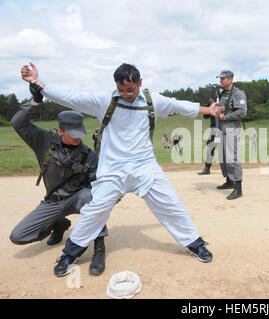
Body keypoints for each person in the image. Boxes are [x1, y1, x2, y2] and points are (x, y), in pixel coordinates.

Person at [21, 62, 222, 277]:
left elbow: (178, 105)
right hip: (112, 169)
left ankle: (194, 243)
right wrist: (37, 82)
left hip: (145, 166)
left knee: (171, 205)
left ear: (139, 83)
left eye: (130, 89)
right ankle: (69, 254)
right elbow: (70, 97)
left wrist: (207, 110)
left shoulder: (152, 100)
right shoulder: (104, 101)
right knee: (94, 211)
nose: (126, 94)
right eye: (121, 90)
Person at [9, 82, 108, 275]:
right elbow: (18, 123)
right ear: (61, 130)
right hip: (53, 202)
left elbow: (98, 183)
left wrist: (109, 192)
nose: (78, 138)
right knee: (18, 236)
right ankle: (58, 223)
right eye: (72, 134)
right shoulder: (43, 139)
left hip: (77, 197)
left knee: (94, 198)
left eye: (80, 133)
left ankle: (99, 246)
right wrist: (35, 101)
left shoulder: (88, 155)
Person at [215, 70, 247, 200]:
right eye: (220, 78)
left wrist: (225, 117)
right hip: (220, 128)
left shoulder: (237, 94)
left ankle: (238, 188)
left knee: (232, 157)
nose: (220, 80)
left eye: (223, 78)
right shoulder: (221, 93)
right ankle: (229, 180)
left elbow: (242, 112)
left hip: (231, 127)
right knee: (222, 156)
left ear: (230, 79)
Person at [198, 98, 221, 175]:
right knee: (209, 149)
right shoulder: (213, 106)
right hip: (214, 131)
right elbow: (205, 116)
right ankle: (207, 169)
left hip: (221, 131)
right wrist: (209, 107)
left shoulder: (221, 107)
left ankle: (231, 170)